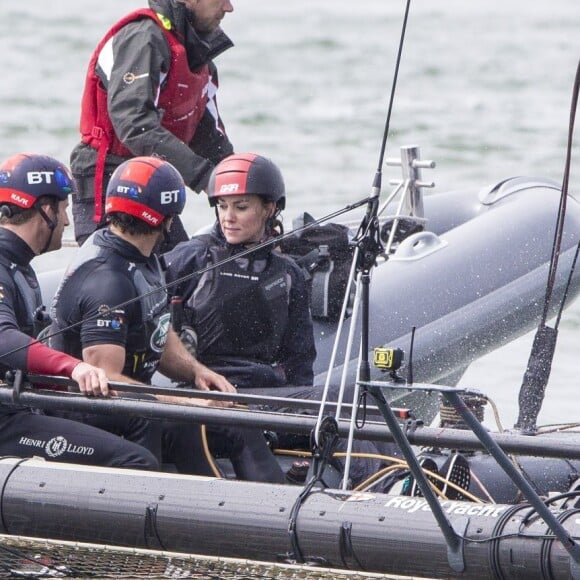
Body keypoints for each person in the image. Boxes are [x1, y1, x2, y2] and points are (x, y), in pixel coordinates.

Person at [50, 156, 285, 482]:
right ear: (167, 219)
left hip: (136, 399)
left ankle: (259, 508)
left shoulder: (141, 254)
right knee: (191, 419)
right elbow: (105, 376)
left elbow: (157, 328)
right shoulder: (108, 281)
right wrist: (181, 399)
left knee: (234, 420)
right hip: (92, 408)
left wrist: (197, 372)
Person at [0, 152, 158, 470]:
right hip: (6, 422)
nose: (68, 221)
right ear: (46, 210)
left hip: (20, 405)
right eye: (64, 208)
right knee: (136, 460)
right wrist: (74, 368)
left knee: (144, 416)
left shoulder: (19, 265)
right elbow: (2, 338)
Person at [70, 0, 235, 248]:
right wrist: (205, 177)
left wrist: (238, 181)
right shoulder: (144, 38)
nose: (229, 7)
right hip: (109, 179)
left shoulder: (201, 60)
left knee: (180, 273)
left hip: (150, 181)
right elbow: (134, 123)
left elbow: (211, 139)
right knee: (130, 275)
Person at [163, 153, 317, 389]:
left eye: (241, 207)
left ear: (269, 208)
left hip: (266, 392)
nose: (228, 218)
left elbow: (300, 362)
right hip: (203, 388)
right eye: (222, 206)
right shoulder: (192, 257)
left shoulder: (288, 273)